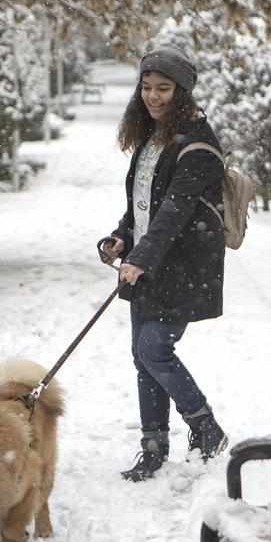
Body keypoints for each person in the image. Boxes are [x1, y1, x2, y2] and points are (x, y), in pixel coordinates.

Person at [98, 45, 228, 482]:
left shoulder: (197, 146)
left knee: (153, 348)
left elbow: (174, 212)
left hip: (184, 266)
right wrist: (122, 237)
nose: (153, 97)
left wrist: (140, 258)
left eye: (164, 89)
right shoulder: (153, 138)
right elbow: (144, 204)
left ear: (183, 91)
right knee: (142, 356)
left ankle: (206, 427)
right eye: (147, 87)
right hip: (149, 261)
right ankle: (153, 449)